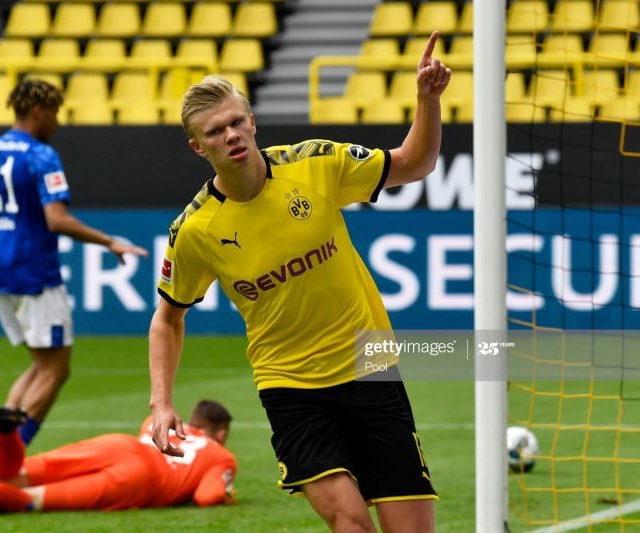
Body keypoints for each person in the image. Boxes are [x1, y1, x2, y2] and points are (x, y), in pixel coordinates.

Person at [148, 31, 450, 532]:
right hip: (290, 384)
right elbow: (167, 318)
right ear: (198, 147)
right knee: (351, 523)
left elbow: (414, 163)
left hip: (370, 364)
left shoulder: (314, 163)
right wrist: (161, 403)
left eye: (236, 122)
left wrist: (427, 100)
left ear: (252, 121)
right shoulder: (195, 231)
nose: (230, 136)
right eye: (215, 131)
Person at [0, 79, 148, 467]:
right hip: (35, 271)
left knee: (41, 364)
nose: (58, 123)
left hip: (1, 270)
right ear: (39, 110)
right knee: (57, 370)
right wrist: (109, 242)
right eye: (56, 113)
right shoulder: (41, 155)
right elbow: (57, 220)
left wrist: (3, 230)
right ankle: (8, 456)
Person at [0, 400, 236, 513]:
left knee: (5, 475)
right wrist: (227, 494)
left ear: (194, 421)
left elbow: (151, 437)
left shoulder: (159, 421)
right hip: (141, 479)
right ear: (220, 433)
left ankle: (6, 430)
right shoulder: (220, 455)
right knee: (28, 498)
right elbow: (208, 497)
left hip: (119, 445)